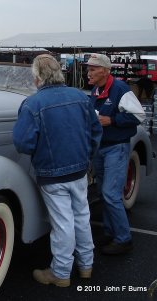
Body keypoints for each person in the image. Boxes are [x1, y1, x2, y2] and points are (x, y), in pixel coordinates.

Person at [13, 54, 102, 287]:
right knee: (82, 217)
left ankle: (61, 272)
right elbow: (95, 132)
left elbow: (23, 143)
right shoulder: (80, 98)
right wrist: (87, 158)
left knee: (63, 222)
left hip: (53, 173)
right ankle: (86, 266)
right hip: (80, 169)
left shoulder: (32, 104)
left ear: (37, 77)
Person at [86, 53, 145, 255]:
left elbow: (139, 115)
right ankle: (112, 232)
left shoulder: (120, 89)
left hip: (116, 148)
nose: (89, 72)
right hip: (101, 148)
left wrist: (112, 121)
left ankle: (123, 239)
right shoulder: (96, 89)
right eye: (89, 68)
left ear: (105, 70)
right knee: (104, 192)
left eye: (93, 69)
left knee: (110, 194)